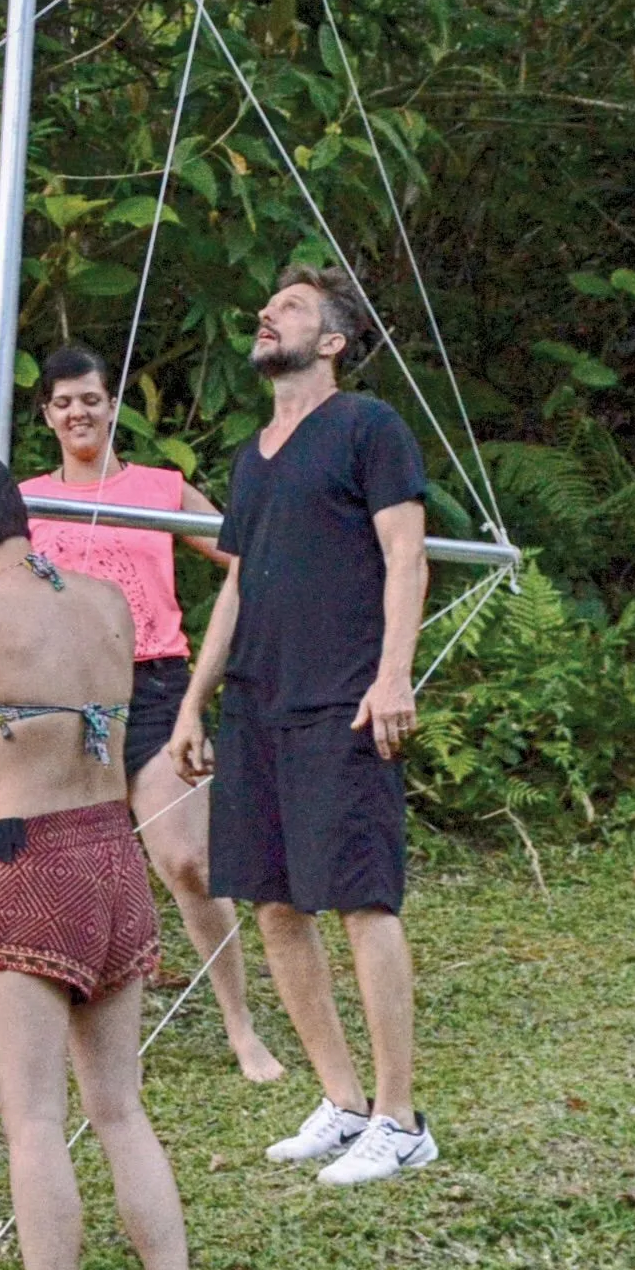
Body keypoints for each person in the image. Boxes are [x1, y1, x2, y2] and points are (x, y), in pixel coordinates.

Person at [0, 451, 213, 1270]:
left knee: (34, 1117)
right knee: (118, 1108)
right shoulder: (106, 602)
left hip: (27, 856)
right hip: (114, 850)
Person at [167, 263, 441, 1187]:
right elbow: (237, 583)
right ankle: (344, 1101)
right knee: (276, 905)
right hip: (255, 702)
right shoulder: (254, 455)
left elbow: (407, 554)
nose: (264, 315)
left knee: (364, 898)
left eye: (286, 309)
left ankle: (402, 1120)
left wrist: (393, 674)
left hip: (345, 698)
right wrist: (195, 700)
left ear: (330, 341)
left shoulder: (369, 427)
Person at [24, 343, 288, 1084]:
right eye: (63, 402)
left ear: (112, 406)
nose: (79, 412)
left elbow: (249, 558)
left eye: (91, 398)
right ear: (46, 415)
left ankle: (241, 1025)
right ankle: (64, 1033)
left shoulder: (159, 488)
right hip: (64, 698)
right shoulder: (26, 499)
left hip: (158, 690)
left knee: (189, 861)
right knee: (65, 870)